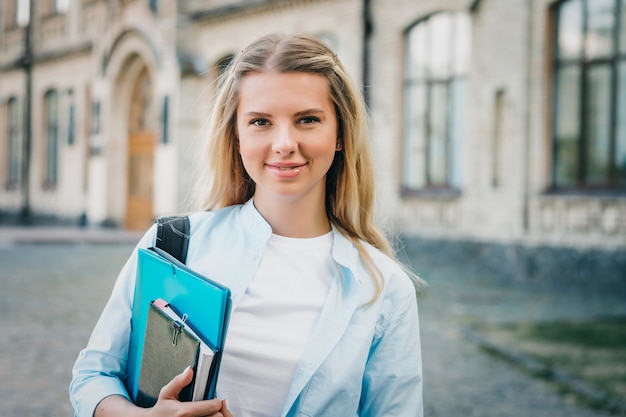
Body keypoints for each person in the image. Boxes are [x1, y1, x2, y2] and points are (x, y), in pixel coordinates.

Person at [70, 32, 423, 417]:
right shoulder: (173, 245)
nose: (285, 143)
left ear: (340, 134)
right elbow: (93, 375)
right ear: (236, 136)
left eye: (307, 119)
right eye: (260, 121)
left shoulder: (383, 289)